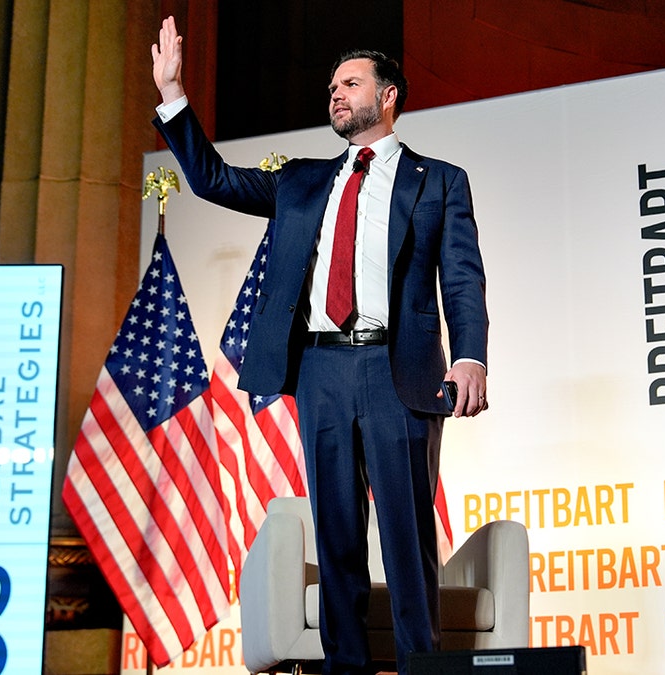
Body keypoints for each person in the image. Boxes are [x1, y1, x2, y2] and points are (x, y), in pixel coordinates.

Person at [150, 16, 489, 675]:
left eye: (351, 82)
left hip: (400, 370)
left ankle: (424, 666)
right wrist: (173, 97)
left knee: (406, 533)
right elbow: (214, 180)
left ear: (388, 95)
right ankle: (345, 668)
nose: (336, 93)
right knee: (334, 533)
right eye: (331, 85)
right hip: (321, 370)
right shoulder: (300, 181)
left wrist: (471, 353)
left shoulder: (440, 180)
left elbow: (463, 275)